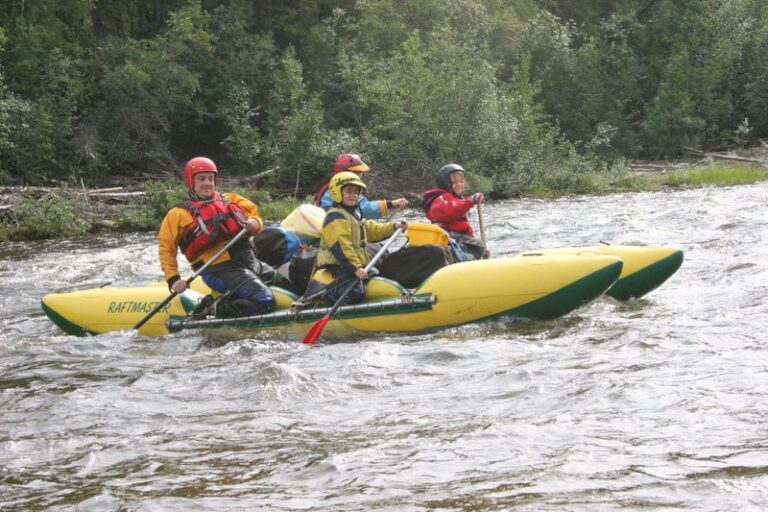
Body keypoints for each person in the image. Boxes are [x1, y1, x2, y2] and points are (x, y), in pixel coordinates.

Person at [158, 156, 276, 318]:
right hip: (218, 270)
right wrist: (173, 279)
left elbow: (255, 216)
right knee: (264, 300)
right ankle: (210, 308)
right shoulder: (177, 215)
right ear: (191, 182)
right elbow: (166, 250)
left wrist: (255, 224)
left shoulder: (231, 199)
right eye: (201, 179)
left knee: (288, 285)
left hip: (248, 261)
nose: (207, 183)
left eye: (210, 178)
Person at [313, 171, 408, 305]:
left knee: (378, 272)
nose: (353, 195)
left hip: (351, 265)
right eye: (349, 192)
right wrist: (355, 268)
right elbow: (342, 246)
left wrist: (394, 226)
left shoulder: (354, 215)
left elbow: (372, 230)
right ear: (337, 193)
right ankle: (331, 300)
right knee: (356, 293)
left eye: (356, 192)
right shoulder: (335, 217)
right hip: (339, 266)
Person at [422, 163, 489, 260]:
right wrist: (471, 201)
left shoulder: (460, 200)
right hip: (448, 236)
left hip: (459, 237)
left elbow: (466, 229)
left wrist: (481, 250)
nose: (459, 185)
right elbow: (451, 212)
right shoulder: (441, 199)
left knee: (479, 246)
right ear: (446, 184)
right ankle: (460, 259)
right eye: (455, 182)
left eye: (461, 181)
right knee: (478, 245)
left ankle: (473, 257)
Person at [314, 153, 409, 219]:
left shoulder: (337, 188)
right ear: (344, 173)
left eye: (360, 172)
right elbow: (364, 209)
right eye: (357, 172)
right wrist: (391, 204)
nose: (361, 175)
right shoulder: (336, 192)